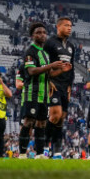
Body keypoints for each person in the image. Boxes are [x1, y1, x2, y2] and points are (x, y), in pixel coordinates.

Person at [18, 22, 65, 159]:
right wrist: (51, 65)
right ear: (33, 35)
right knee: (29, 122)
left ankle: (39, 155)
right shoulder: (30, 51)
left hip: (44, 95)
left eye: (44, 32)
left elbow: (48, 74)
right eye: (38, 32)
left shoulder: (45, 53)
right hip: (32, 93)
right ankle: (21, 154)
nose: (42, 35)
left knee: (42, 124)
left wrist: (61, 69)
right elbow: (31, 71)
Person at [43, 17, 74, 159]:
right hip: (53, 84)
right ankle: (43, 146)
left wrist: (70, 86)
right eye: (66, 25)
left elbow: (71, 68)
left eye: (71, 26)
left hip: (64, 86)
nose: (69, 28)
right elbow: (44, 63)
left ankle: (56, 151)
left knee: (61, 118)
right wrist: (48, 81)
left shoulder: (71, 46)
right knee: (55, 115)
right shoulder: (49, 43)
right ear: (58, 26)